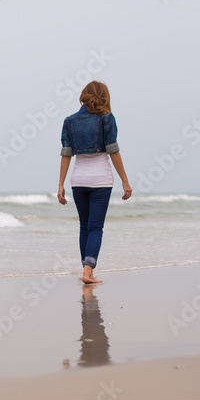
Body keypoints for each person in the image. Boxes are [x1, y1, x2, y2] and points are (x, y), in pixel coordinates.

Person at [56, 81, 132, 284]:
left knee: (84, 226)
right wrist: (125, 180)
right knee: (95, 227)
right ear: (104, 97)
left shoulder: (69, 121)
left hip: (78, 180)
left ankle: (85, 270)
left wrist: (61, 183)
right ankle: (88, 271)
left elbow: (66, 154)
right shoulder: (107, 118)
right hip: (100, 180)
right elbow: (113, 150)